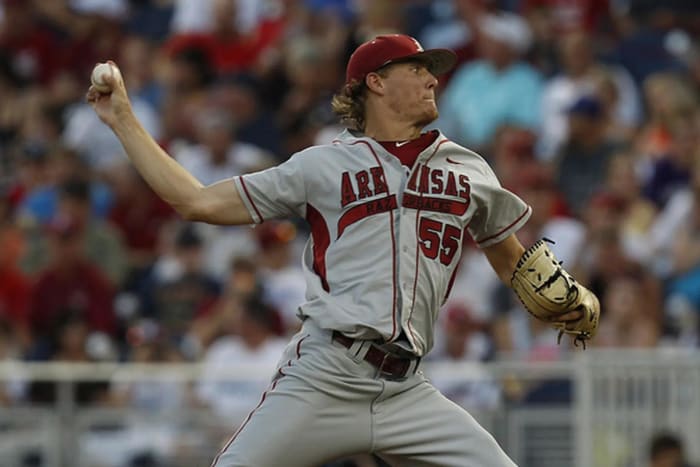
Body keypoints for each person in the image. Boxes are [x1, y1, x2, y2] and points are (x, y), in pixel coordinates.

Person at [87, 34, 598, 467]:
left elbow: (511, 259)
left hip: (407, 388)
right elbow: (195, 201)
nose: (431, 79)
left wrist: (567, 296)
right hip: (326, 373)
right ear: (375, 82)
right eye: (417, 69)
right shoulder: (321, 165)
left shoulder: (468, 168)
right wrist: (124, 121)